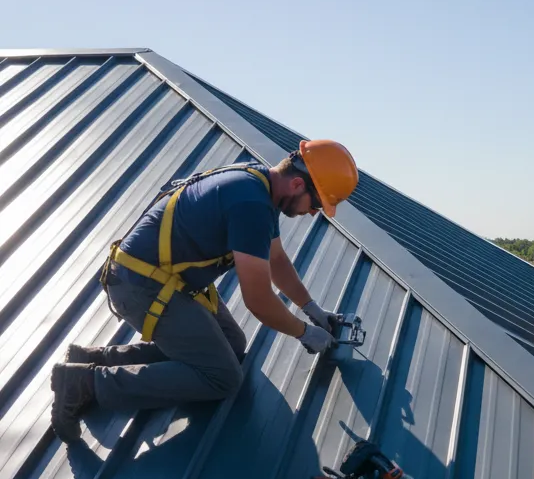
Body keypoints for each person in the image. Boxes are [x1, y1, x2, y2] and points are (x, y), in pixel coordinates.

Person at [49, 140, 360, 442]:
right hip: (141, 286)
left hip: (164, 279)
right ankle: (84, 382)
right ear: (297, 185)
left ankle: (95, 358)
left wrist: (311, 308)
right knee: (222, 377)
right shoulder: (251, 205)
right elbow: (259, 301)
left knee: (233, 345)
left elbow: (276, 259)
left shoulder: (258, 183)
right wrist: (305, 333)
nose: (312, 213)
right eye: (317, 204)